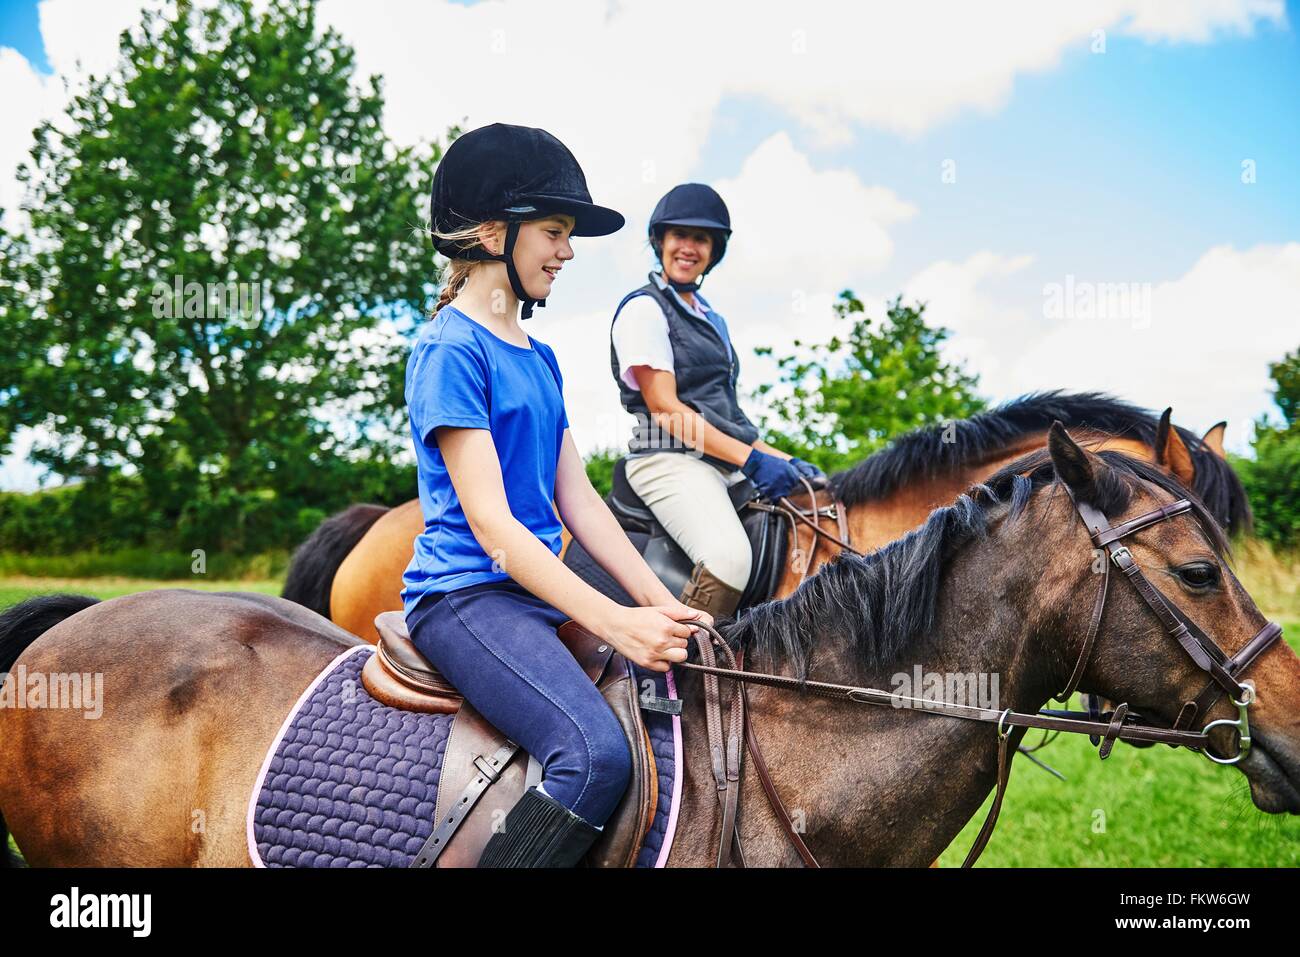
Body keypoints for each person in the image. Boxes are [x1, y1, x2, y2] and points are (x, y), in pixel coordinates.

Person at [402, 125, 712, 868]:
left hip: (530, 596)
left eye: (567, 235)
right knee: (595, 754)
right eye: (553, 232)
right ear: (490, 233)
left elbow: (578, 500)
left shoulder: (539, 357)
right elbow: (493, 523)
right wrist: (613, 619)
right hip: (467, 596)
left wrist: (654, 601)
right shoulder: (451, 349)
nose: (566, 252)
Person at [610, 183, 826, 619]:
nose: (689, 247)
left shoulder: (713, 318)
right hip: (667, 458)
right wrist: (751, 461)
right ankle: (681, 671)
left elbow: (728, 418)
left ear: (714, 249)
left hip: (717, 461)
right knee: (728, 558)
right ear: (660, 241)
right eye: (680, 236)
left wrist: (785, 460)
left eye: (701, 238)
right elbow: (666, 410)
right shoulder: (643, 310)